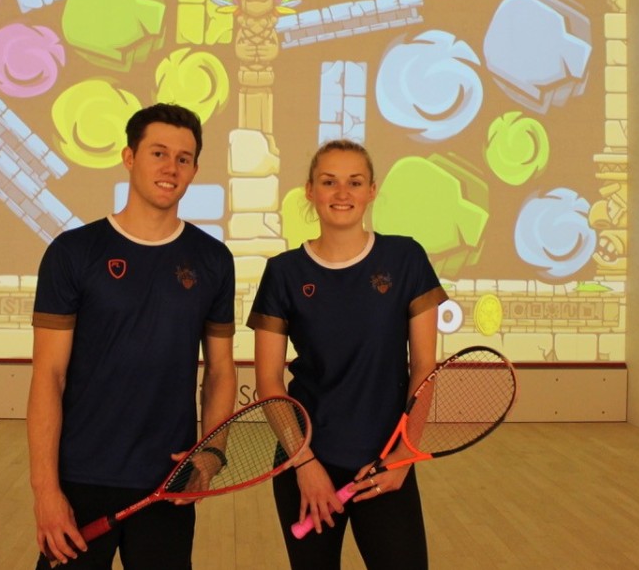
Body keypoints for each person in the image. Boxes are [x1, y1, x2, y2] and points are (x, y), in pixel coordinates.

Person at [28, 103, 237, 569]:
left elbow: (221, 371)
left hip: (169, 482)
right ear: (129, 157)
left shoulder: (213, 260)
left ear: (195, 169)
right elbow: (49, 376)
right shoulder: (73, 253)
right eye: (158, 153)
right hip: (81, 479)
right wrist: (46, 491)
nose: (171, 167)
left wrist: (211, 455)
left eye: (184, 158)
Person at [247, 140, 446, 570]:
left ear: (372, 190)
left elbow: (425, 368)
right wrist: (304, 464)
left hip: (386, 465)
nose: (342, 193)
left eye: (354, 182)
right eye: (329, 182)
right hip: (306, 463)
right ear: (310, 191)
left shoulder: (405, 257)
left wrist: (404, 455)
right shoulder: (283, 273)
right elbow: (268, 383)